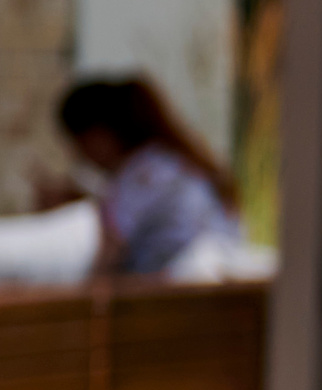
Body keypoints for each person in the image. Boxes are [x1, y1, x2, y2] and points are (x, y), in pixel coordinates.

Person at [55, 77, 244, 278]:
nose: (80, 156)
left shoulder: (141, 173)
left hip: (182, 288)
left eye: (80, 145)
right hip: (218, 278)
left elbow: (110, 252)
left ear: (100, 135)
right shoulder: (170, 161)